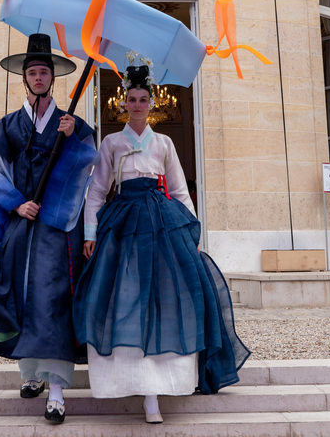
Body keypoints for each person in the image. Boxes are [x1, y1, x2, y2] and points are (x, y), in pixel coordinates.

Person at [73, 58, 250, 424]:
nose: (137, 105)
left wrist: (192, 234)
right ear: (123, 102)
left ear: (152, 103)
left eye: (143, 100)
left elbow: (182, 192)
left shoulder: (164, 143)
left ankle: (161, 386)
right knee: (121, 294)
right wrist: (90, 234)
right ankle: (123, 380)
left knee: (166, 296)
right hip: (122, 220)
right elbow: (95, 193)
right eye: (132, 99)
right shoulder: (111, 142)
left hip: (161, 220)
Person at [0, 34, 98, 425]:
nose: (39, 77)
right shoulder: (8, 126)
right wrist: (16, 202)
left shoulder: (72, 124)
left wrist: (71, 135)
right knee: (22, 297)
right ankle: (30, 374)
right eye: (33, 72)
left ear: (52, 79)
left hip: (58, 227)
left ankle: (57, 386)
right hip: (19, 223)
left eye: (44, 71)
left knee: (54, 299)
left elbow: (88, 169)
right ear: (25, 79)